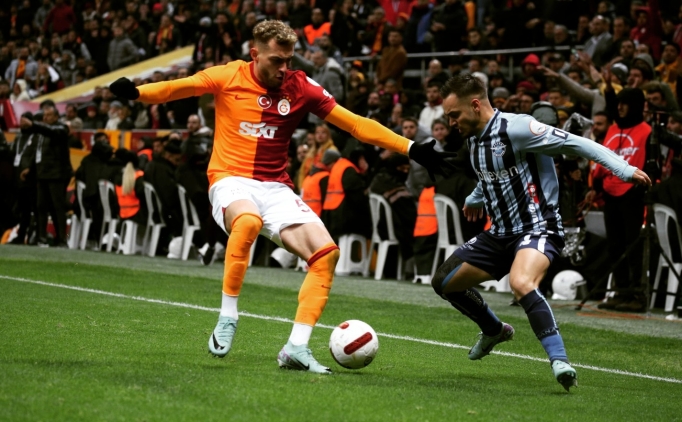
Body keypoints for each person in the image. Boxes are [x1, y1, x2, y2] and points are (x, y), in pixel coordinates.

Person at [109, 20, 453, 374]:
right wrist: (137, 93)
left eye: (288, 60)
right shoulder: (229, 75)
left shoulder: (300, 86)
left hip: (275, 187)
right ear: (255, 54)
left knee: (326, 255)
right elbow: (179, 87)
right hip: (230, 179)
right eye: (276, 60)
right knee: (248, 222)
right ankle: (228, 316)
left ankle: (296, 347)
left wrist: (411, 148)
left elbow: (354, 123)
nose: (283, 68)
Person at [432, 75, 650, 391]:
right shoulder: (474, 139)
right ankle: (494, 330)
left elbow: (576, 143)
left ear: (475, 105)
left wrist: (623, 168)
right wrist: (475, 198)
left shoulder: (518, 128)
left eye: (454, 114)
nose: (451, 122)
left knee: (521, 283)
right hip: (499, 234)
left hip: (537, 228)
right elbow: (491, 174)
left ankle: (559, 360)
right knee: (444, 282)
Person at [20, 105, 74, 247]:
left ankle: (61, 239)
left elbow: (51, 131)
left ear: (56, 117)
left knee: (57, 206)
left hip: (56, 174)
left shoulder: (61, 129)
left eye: (49, 115)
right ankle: (42, 237)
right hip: (42, 173)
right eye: (44, 115)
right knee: (41, 206)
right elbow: (38, 151)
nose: (45, 118)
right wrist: (30, 167)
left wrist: (33, 125)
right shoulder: (42, 132)